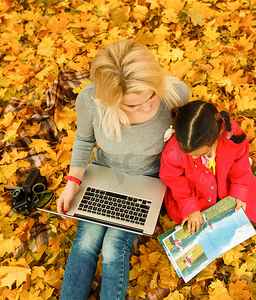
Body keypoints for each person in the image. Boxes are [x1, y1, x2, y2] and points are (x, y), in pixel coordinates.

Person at [56, 40, 190, 300]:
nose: (147, 107)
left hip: (149, 180)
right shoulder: (90, 100)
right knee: (85, 244)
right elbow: (84, 140)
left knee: (113, 248)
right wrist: (73, 182)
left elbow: (189, 143)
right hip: (104, 173)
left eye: (151, 96)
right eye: (132, 106)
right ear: (111, 99)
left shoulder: (177, 93)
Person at [160, 100, 256, 234]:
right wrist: (190, 207)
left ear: (216, 138)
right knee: (193, 223)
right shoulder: (173, 151)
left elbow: (240, 162)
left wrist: (238, 191)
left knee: (246, 203)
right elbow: (174, 178)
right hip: (196, 192)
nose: (195, 158)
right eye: (190, 154)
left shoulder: (230, 134)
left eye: (200, 153)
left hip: (226, 184)